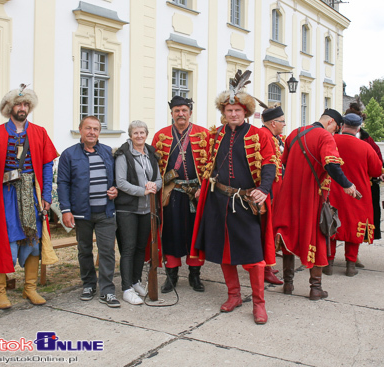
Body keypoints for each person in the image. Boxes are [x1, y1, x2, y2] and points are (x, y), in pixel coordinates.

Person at [191, 70, 276, 324]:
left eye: (237, 110)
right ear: (223, 112)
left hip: (246, 202)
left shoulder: (260, 135)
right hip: (219, 201)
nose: (233, 114)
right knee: (223, 251)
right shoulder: (216, 134)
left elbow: (271, 163)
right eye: (229, 110)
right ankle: (234, 295)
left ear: (246, 112)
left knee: (254, 256)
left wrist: (265, 188)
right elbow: (208, 164)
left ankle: (259, 304)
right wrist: (202, 186)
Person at [0, 85, 58, 309]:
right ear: (10, 107)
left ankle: (29, 288)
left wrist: (46, 195)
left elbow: (47, 166)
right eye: (19, 104)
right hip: (4, 196)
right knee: (4, 238)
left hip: (32, 193)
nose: (23, 108)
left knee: (34, 240)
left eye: (26, 104)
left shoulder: (39, 132)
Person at [273, 109, 357, 300]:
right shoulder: (326, 137)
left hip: (289, 195)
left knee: (289, 235)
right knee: (317, 237)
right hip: (312, 196)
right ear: (331, 123)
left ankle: (288, 284)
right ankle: (315, 288)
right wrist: (347, 185)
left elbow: (283, 162)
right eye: (336, 128)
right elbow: (332, 165)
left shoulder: (294, 133)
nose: (335, 132)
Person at [57, 116, 120, 308]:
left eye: (96, 129)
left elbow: (117, 177)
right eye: (88, 128)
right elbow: (63, 183)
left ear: (99, 132)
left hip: (106, 212)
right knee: (84, 250)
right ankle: (88, 284)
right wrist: (66, 210)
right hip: (82, 213)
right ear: (80, 130)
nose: (92, 132)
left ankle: (107, 290)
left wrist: (115, 189)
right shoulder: (69, 155)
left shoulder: (108, 152)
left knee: (107, 251)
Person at [151, 96, 209, 293]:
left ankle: (195, 274)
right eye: (177, 111)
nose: (181, 114)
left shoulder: (204, 134)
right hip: (172, 193)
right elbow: (153, 167)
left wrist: (206, 187)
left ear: (190, 112)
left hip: (196, 193)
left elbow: (211, 164)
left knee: (195, 234)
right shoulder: (161, 135)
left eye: (184, 110)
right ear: (172, 114)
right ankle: (171, 275)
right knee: (171, 234)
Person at [324, 113, 382, 276]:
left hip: (333, 191)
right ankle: (350, 265)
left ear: (342, 126)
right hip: (357, 193)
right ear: (359, 128)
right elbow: (377, 170)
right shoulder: (365, 147)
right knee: (354, 225)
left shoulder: (331, 141)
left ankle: (328, 263)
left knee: (331, 225)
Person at [115, 120, 162, 305]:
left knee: (141, 248)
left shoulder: (151, 153)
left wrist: (153, 186)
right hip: (127, 208)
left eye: (142, 132)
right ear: (130, 135)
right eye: (136, 133)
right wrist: (143, 190)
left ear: (146, 134)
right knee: (128, 248)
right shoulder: (123, 155)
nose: (139, 136)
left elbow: (158, 179)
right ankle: (126, 288)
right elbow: (121, 183)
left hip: (146, 210)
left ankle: (135, 281)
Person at [259, 104, 286, 285]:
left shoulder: (272, 136)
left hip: (274, 192)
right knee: (265, 232)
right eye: (282, 122)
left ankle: (267, 265)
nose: (284, 124)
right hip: (268, 193)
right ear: (273, 123)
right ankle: (265, 269)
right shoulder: (265, 137)